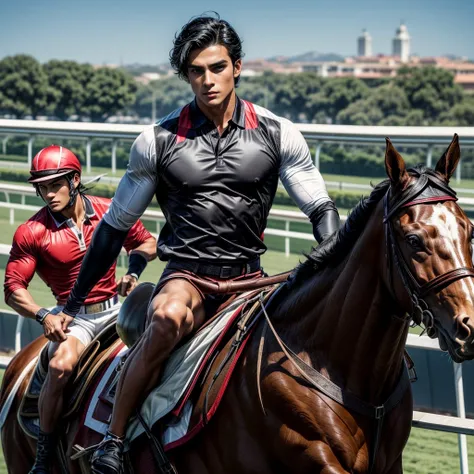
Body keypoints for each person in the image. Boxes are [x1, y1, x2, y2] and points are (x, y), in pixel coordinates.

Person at [60, 14, 341, 474]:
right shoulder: (156, 141)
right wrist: (73, 302)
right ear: (186, 74)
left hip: (252, 280)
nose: (207, 80)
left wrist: (329, 258)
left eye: (217, 67)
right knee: (167, 317)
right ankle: (111, 441)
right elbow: (113, 228)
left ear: (237, 67)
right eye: (196, 70)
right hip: (187, 277)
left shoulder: (279, 132)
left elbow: (320, 209)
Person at [3, 145, 157, 474]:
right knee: (61, 366)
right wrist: (44, 315)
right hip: (77, 321)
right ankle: (43, 459)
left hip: (120, 310)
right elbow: (13, 288)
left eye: (54, 184)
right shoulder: (32, 231)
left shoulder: (110, 211)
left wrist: (132, 272)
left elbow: (146, 243)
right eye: (41, 187)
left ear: (75, 180)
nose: (47, 193)